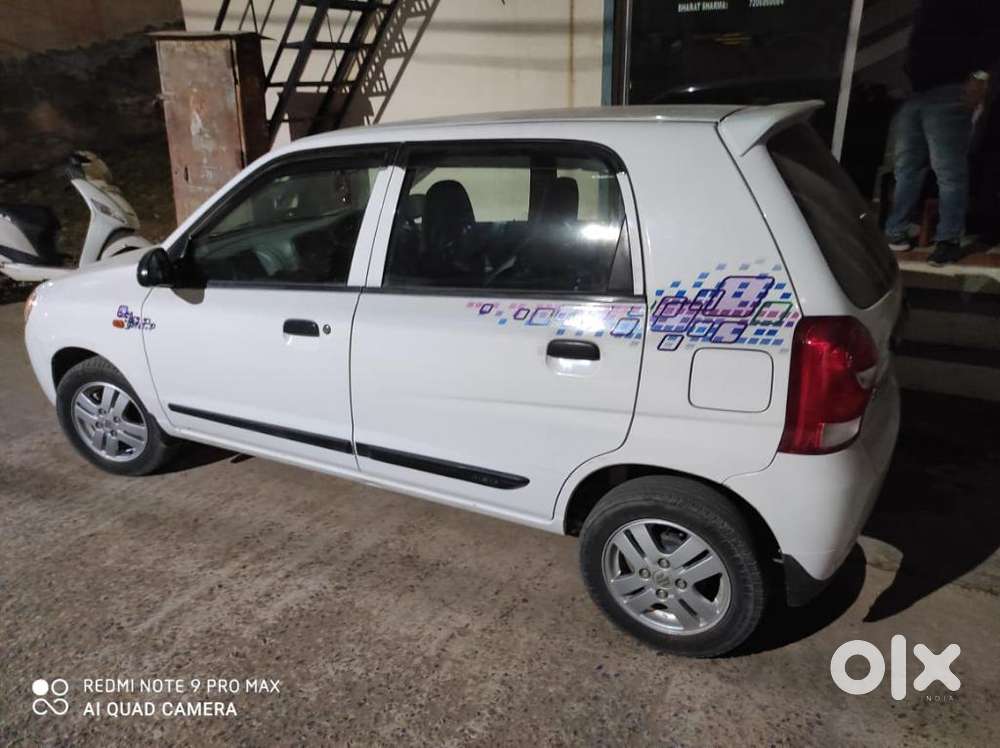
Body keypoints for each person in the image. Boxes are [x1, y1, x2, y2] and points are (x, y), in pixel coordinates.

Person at [884, 0, 1000, 266]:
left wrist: (979, 76)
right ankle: (895, 232)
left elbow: (994, 31)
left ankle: (948, 240)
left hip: (950, 88)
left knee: (948, 170)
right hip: (919, 91)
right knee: (906, 167)